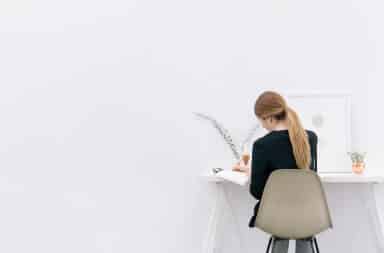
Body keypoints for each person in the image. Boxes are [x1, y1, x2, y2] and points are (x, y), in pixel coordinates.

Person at [235, 91, 318, 253]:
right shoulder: (310, 137)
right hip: (309, 213)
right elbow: (311, 178)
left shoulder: (262, 145)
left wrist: (253, 173)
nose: (263, 126)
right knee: (301, 218)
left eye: (261, 121)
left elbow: (258, 192)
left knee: (281, 214)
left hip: (276, 215)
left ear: (269, 118)